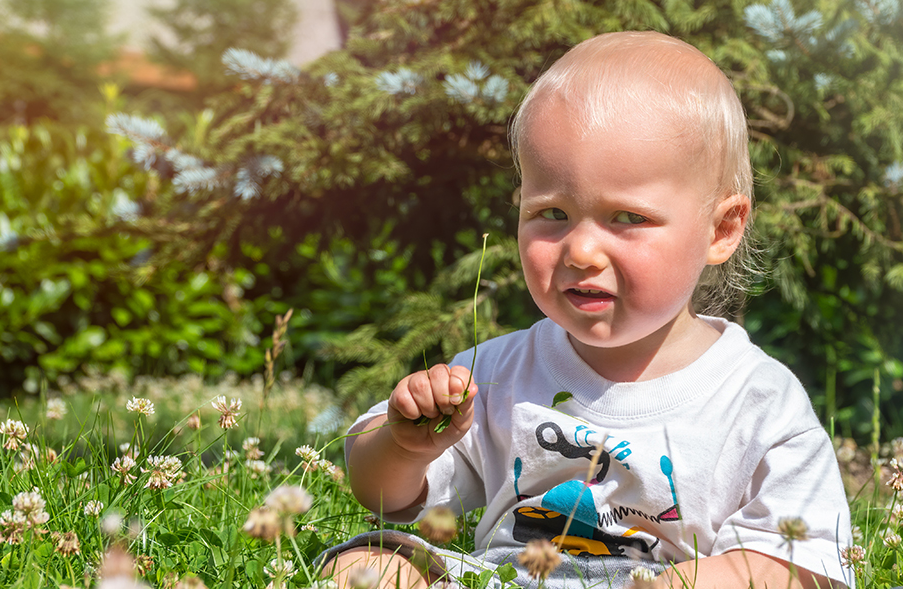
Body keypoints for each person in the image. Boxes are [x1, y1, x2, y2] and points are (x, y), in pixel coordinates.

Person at [324, 31, 854, 589]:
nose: (579, 250)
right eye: (551, 213)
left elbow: (805, 563)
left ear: (720, 230)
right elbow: (381, 492)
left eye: (627, 218)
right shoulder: (500, 374)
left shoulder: (756, 401)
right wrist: (403, 444)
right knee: (367, 565)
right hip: (502, 580)